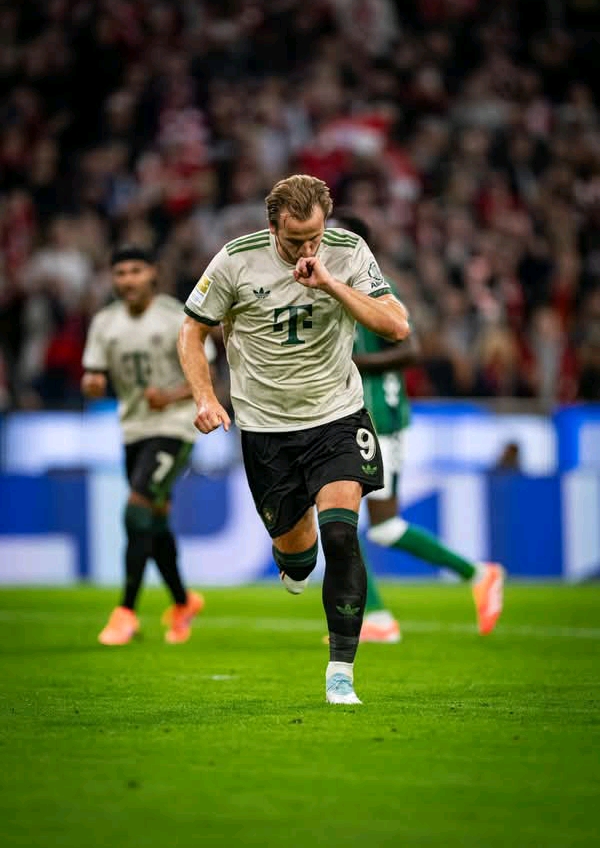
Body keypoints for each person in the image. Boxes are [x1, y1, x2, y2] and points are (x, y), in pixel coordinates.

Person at [178, 174, 410, 704]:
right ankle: (293, 562)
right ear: (271, 228)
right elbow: (191, 328)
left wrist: (330, 284)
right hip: (267, 428)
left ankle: (341, 673)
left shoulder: (347, 252)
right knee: (299, 557)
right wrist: (205, 397)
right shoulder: (235, 261)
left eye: (314, 238)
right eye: (295, 240)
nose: (307, 249)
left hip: (337, 416)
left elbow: (397, 326)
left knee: (342, 536)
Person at [329, 214, 505, 644]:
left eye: (334, 235)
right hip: (360, 418)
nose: (324, 242)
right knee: (367, 523)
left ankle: (384, 613)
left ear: (356, 245)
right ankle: (472, 577)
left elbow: (411, 350)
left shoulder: (376, 286)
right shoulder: (335, 285)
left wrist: (349, 364)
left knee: (351, 521)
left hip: (379, 419)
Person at [81, 245, 214, 646]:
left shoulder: (176, 316)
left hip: (175, 428)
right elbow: (93, 374)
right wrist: (92, 383)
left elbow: (206, 373)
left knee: (136, 510)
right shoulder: (105, 322)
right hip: (133, 430)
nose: (128, 280)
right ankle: (183, 602)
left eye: (136, 271)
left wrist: (171, 397)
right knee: (152, 522)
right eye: (120, 273)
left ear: (153, 273)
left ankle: (125, 613)